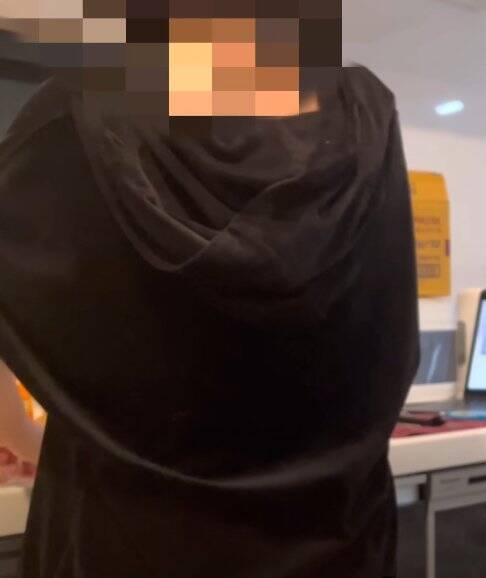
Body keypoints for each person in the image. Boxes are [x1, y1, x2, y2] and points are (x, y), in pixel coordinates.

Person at [0, 1, 420, 576]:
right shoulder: (363, 112)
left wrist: (20, 433)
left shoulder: (83, 111)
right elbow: (382, 336)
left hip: (129, 540)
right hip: (336, 540)